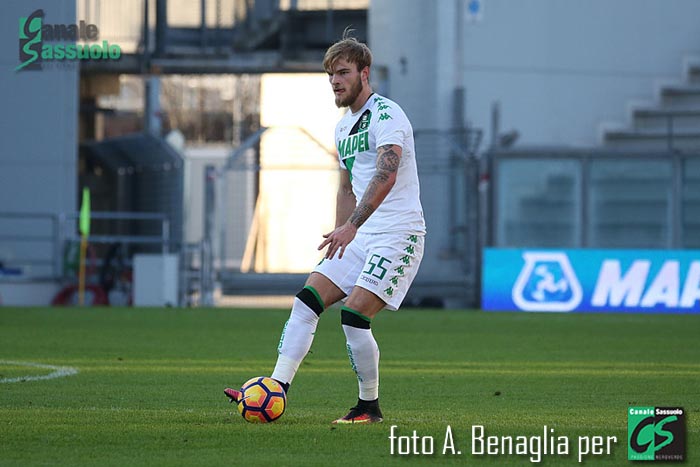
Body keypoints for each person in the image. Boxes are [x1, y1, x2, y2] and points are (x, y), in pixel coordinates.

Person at [225, 33, 426, 424]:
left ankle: (368, 407)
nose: (335, 81)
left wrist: (351, 226)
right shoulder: (342, 127)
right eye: (331, 74)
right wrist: (340, 233)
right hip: (359, 235)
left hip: (398, 235)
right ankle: (276, 388)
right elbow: (346, 187)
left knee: (354, 316)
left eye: (343, 72)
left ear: (364, 73)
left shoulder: (387, 115)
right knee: (306, 301)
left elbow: (385, 175)